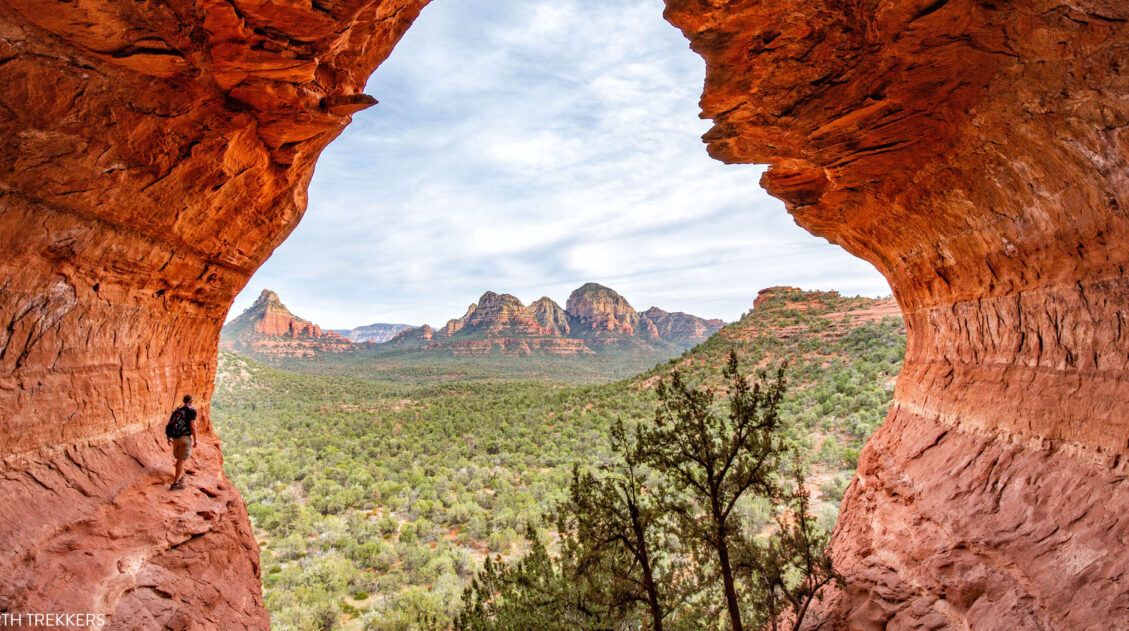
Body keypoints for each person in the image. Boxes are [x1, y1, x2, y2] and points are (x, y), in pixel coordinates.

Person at [166, 394, 198, 491]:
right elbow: (193, 426)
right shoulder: (192, 411)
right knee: (181, 460)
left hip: (175, 438)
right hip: (185, 438)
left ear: (184, 401)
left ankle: (180, 476)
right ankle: (175, 484)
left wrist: (169, 437)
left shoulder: (179, 410)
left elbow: (170, 424)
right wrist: (195, 439)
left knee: (179, 460)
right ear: (191, 401)